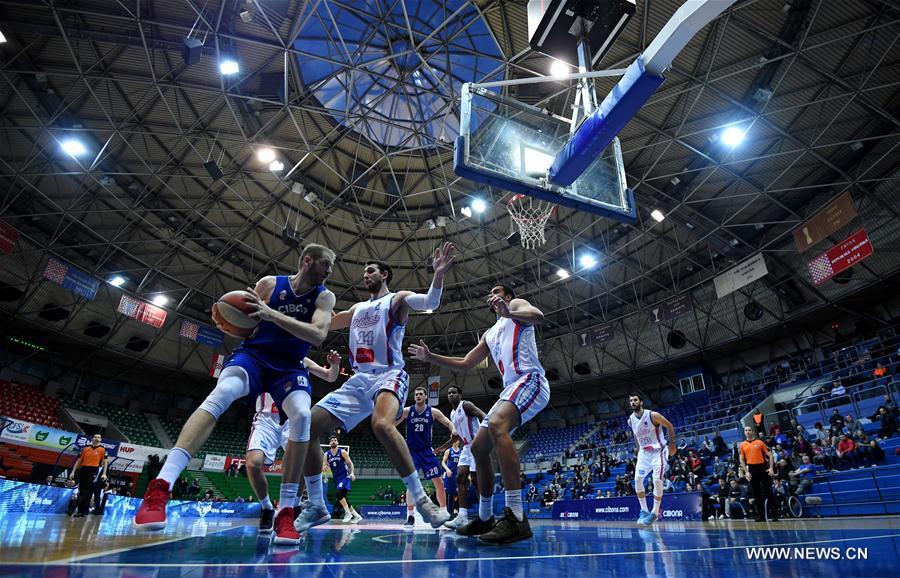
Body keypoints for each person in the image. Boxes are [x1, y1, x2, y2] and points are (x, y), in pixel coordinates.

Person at [133, 243, 336, 547]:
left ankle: (285, 512)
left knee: (303, 415)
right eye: (326, 265)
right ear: (308, 261)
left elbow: (318, 335)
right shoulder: (269, 284)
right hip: (253, 356)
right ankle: (160, 487)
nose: (329, 271)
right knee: (222, 392)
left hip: (289, 367)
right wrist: (235, 322)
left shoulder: (324, 296)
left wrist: (271, 314)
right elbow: (248, 321)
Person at [295, 243, 456, 533]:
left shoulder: (398, 300)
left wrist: (439, 275)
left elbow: (430, 300)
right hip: (358, 380)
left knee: (381, 424)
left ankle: (422, 501)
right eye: (364, 271)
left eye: (370, 270)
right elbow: (326, 324)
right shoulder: (357, 308)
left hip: (389, 374)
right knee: (305, 426)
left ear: (384, 274)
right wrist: (291, 313)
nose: (365, 275)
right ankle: (317, 505)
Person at [408, 284, 550, 545]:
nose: (492, 294)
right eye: (490, 292)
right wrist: (431, 357)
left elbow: (538, 316)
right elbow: (466, 363)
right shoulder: (489, 333)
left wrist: (508, 311)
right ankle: (485, 517)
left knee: (497, 426)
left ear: (507, 296)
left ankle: (517, 516)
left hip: (530, 380)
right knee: (477, 448)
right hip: (511, 389)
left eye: (498, 291)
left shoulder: (517, 306)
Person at [247, 352, 341, 534]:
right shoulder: (261, 355)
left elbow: (330, 376)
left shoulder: (302, 360)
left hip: (292, 418)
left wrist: (335, 364)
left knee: (302, 461)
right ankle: (266, 507)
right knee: (253, 464)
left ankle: (294, 508)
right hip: (266, 419)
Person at [395, 385, 457, 526]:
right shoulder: (407, 411)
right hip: (411, 452)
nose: (418, 396)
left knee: (439, 483)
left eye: (420, 394)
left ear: (425, 396)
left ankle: (444, 513)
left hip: (427, 452)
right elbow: (392, 424)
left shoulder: (433, 412)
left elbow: (448, 422)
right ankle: (410, 517)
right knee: (411, 484)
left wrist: (453, 429)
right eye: (416, 394)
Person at [625, 392, 676, 526]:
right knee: (637, 480)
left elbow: (669, 425)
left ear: (641, 402)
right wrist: (638, 449)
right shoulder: (630, 420)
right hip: (644, 453)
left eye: (635, 400)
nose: (633, 402)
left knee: (657, 480)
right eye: (631, 401)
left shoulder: (653, 415)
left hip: (658, 451)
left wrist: (672, 445)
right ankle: (644, 511)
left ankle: (654, 513)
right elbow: (636, 436)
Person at [442, 384, 485, 530]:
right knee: (460, 477)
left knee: (476, 481)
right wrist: (442, 448)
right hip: (466, 447)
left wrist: (486, 434)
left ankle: (484, 517)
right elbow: (457, 436)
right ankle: (462, 517)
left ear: (460, 395)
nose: (451, 395)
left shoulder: (466, 405)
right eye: (449, 393)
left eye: (454, 392)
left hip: (477, 444)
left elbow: (482, 415)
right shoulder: (452, 414)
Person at [739, 425, 778, 522]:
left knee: (768, 491)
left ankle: (774, 515)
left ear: (752, 432)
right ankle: (760, 516)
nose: (747, 432)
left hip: (762, 468)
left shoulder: (760, 442)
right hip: (752, 469)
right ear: (744, 432)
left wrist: (771, 468)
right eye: (746, 430)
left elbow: (770, 455)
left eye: (749, 430)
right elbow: (741, 459)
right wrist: (746, 472)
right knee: (756, 494)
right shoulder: (742, 445)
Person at [323, 434, 362, 523]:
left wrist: (352, 473)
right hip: (336, 478)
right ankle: (357, 516)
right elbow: (324, 466)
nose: (333, 441)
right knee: (342, 497)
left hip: (344, 476)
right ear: (329, 443)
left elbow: (350, 463)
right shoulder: (326, 454)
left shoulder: (342, 452)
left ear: (337, 442)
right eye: (332, 440)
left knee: (338, 493)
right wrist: (325, 468)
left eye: (335, 440)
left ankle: (348, 513)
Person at [69, 434, 108, 518]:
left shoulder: (102, 449)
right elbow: (79, 460)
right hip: (83, 469)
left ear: (100, 439)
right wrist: (73, 471)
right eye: (95, 437)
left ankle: (72, 508)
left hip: (93, 470)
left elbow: (105, 462)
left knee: (85, 490)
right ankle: (81, 512)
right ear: (92, 438)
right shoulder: (85, 448)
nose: (97, 438)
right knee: (82, 491)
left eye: (99, 437)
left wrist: (104, 473)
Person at [441, 439, 462, 518]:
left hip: (458, 475)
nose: (454, 441)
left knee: (458, 494)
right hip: (450, 476)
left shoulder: (461, 452)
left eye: (456, 440)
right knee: (450, 495)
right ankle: (449, 514)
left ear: (458, 441)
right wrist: (447, 469)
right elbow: (443, 462)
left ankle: (456, 512)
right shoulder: (448, 451)